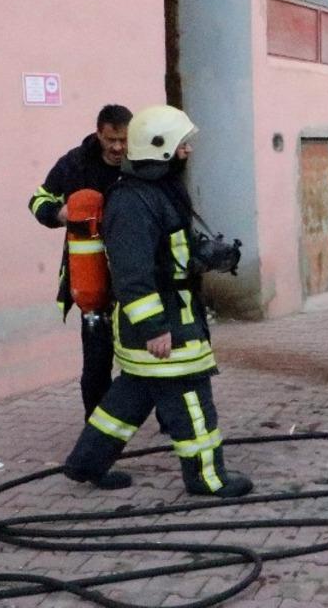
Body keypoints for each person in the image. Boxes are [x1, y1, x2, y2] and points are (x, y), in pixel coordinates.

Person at [63, 105, 252, 496]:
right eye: (182, 145)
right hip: (161, 324)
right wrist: (154, 328)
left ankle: (86, 464)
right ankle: (207, 478)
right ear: (161, 148)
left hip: (163, 319)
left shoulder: (159, 191)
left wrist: (206, 255)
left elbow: (170, 250)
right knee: (190, 396)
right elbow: (132, 274)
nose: (188, 151)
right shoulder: (132, 202)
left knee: (128, 398)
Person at [29, 104, 132, 420]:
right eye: (110, 139)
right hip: (91, 278)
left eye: (123, 140)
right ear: (99, 133)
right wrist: (57, 213)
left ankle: (168, 420)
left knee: (150, 353)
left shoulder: (141, 162)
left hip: (133, 273)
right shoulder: (74, 164)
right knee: (97, 362)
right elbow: (38, 199)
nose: (117, 147)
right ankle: (96, 429)